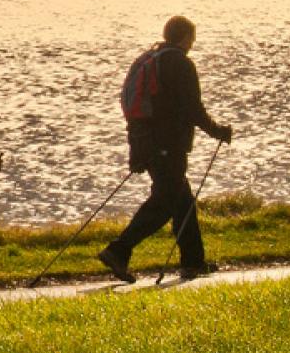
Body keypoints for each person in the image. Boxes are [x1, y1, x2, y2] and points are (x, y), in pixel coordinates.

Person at [98, 15, 234, 283]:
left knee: (182, 200)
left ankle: (193, 262)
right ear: (184, 37)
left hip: (145, 142)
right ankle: (119, 250)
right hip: (166, 146)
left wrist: (137, 150)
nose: (192, 44)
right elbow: (193, 108)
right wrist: (218, 131)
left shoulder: (152, 59)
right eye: (192, 39)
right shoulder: (180, 64)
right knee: (165, 202)